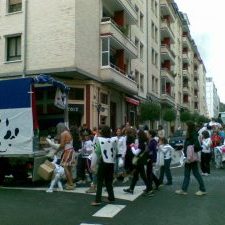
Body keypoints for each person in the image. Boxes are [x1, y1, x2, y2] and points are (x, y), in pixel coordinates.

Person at [175, 121, 207, 196]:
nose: (185, 127)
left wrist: (190, 149)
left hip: (191, 158)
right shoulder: (191, 134)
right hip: (189, 157)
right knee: (188, 174)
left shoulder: (193, 134)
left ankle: (202, 189)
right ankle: (184, 189)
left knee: (195, 174)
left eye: (186, 126)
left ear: (189, 127)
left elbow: (197, 146)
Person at [91, 125, 118, 206]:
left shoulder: (100, 140)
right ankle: (111, 197)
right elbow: (116, 151)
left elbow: (96, 153)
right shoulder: (113, 140)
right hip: (111, 163)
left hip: (103, 162)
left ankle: (97, 200)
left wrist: (92, 165)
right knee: (109, 181)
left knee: (99, 181)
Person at [47, 122, 76, 190]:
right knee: (69, 168)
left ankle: (71, 184)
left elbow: (62, 145)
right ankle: (70, 183)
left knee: (65, 167)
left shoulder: (63, 134)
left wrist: (56, 152)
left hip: (68, 151)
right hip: (71, 150)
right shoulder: (68, 132)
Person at [123, 130, 150, 195]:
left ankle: (149, 188)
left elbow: (136, 153)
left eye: (137, 135)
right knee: (137, 175)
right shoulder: (145, 141)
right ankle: (131, 189)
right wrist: (135, 147)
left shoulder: (141, 142)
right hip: (141, 160)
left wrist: (132, 146)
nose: (136, 136)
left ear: (139, 135)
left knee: (142, 175)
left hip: (139, 161)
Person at [146, 130, 160, 194]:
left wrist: (154, 160)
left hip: (150, 159)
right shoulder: (150, 141)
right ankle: (157, 182)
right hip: (149, 159)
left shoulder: (153, 142)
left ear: (150, 135)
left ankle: (150, 187)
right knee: (149, 172)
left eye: (148, 134)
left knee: (149, 173)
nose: (147, 134)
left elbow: (154, 152)